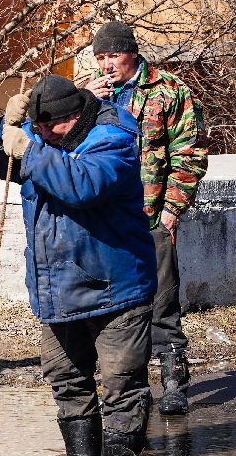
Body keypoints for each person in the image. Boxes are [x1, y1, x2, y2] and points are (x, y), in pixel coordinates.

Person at [0, 73, 157, 456]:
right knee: (66, 383)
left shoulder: (113, 137)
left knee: (121, 384)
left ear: (76, 115)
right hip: (57, 288)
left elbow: (83, 186)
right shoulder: (41, 137)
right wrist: (2, 129)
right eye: (37, 127)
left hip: (117, 288)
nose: (44, 134)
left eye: (51, 127)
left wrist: (30, 148)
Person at [76, 21, 209, 416]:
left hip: (151, 216)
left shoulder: (169, 91)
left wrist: (171, 210)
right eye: (100, 57)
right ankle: (127, 386)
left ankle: (173, 381)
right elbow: (66, 142)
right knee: (112, 306)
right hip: (104, 219)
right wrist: (86, 103)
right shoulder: (89, 92)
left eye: (112, 55)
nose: (106, 64)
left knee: (162, 301)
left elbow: (190, 153)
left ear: (131, 52)